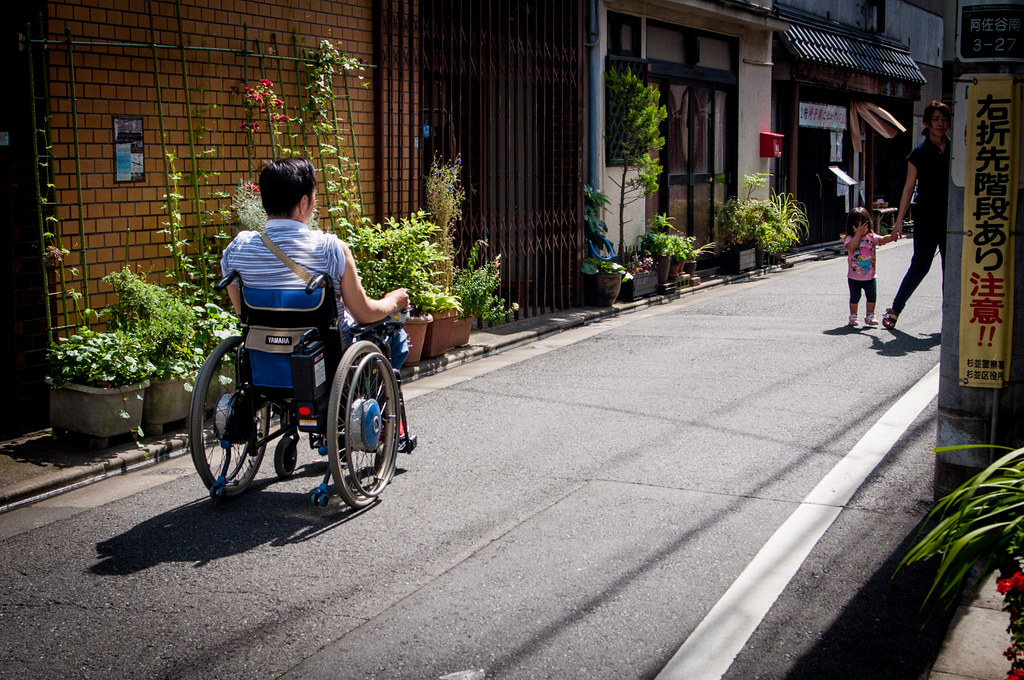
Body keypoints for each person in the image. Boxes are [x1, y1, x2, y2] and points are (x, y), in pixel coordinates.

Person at [220, 157, 411, 369]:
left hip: (264, 357)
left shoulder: (239, 248)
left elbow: (243, 314)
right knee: (396, 337)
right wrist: (393, 301)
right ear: (303, 203)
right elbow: (363, 313)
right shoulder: (330, 249)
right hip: (324, 362)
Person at [881, 100, 952, 330]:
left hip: (953, 218)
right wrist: (899, 221)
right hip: (926, 216)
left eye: (944, 120)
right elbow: (908, 187)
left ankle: (950, 320)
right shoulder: (918, 153)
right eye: (936, 120)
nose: (940, 124)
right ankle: (896, 308)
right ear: (927, 124)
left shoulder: (956, 150)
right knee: (920, 265)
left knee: (951, 269)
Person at [844, 205, 896, 326]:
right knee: (855, 297)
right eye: (858, 225)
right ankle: (853, 316)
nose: (862, 229)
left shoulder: (871, 237)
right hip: (854, 276)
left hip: (870, 275)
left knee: (872, 296)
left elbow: (882, 239)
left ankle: (870, 315)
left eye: (864, 225)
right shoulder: (850, 238)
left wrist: (892, 237)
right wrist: (857, 234)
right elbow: (851, 247)